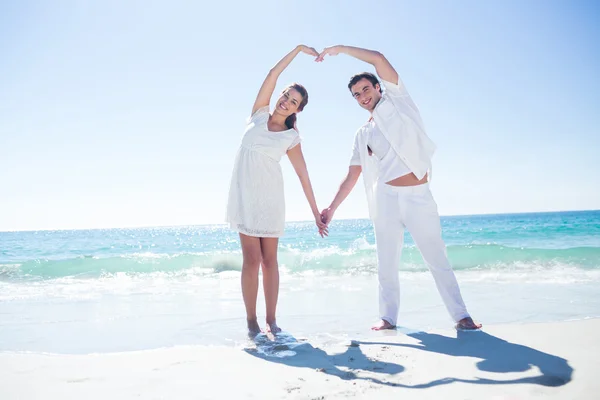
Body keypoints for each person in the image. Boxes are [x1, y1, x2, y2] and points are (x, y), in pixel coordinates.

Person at [317, 45, 481, 331]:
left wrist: (339, 49)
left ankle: (461, 316)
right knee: (387, 263)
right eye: (356, 95)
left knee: (436, 257)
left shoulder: (399, 102)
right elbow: (352, 175)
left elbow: (379, 58)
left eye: (365, 89)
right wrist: (331, 208)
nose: (362, 96)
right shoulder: (363, 133)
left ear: (378, 87)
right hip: (387, 199)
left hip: (418, 196)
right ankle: (388, 318)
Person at [226, 45, 328, 336]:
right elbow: (273, 73)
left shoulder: (291, 137)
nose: (286, 102)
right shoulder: (258, 115)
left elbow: (303, 175)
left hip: (270, 199)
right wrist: (297, 50)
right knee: (251, 259)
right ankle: (251, 321)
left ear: (298, 110)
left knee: (270, 261)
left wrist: (315, 213)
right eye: (286, 95)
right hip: (244, 197)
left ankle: (271, 320)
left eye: (293, 102)